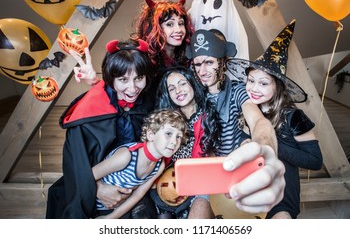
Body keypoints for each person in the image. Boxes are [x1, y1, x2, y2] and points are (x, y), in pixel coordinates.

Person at [46, 38, 155, 219]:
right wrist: (97, 188)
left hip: (134, 184)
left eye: (139, 78)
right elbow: (76, 164)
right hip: (92, 185)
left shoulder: (149, 104)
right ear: (111, 79)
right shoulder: (87, 113)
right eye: (123, 80)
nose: (133, 88)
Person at [226, 20, 323, 219]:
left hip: (282, 198)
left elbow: (315, 161)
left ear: (277, 87)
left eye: (263, 83)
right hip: (248, 195)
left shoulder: (293, 116)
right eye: (251, 81)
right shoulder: (245, 111)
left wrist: (270, 144)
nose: (253, 88)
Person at [185, 28, 286, 214]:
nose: (202, 70)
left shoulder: (238, 90)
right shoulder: (191, 94)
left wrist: (265, 149)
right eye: (198, 64)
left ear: (222, 63)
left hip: (235, 173)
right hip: (206, 175)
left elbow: (258, 121)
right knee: (197, 212)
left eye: (209, 62)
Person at [150, 66, 221, 219]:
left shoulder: (208, 116)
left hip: (201, 184)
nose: (178, 90)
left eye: (182, 83)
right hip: (168, 185)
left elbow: (211, 160)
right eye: (172, 88)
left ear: (192, 84)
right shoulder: (168, 122)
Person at [93, 109, 188, 219]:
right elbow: (89, 176)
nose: (174, 142)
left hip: (117, 210)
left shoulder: (159, 165)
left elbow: (138, 194)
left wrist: (111, 218)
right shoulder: (127, 156)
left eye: (178, 136)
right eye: (168, 133)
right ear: (151, 134)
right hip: (95, 207)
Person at [134, 0, 194, 72]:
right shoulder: (142, 61)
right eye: (170, 24)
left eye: (180, 23)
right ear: (155, 28)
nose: (178, 29)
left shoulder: (186, 58)